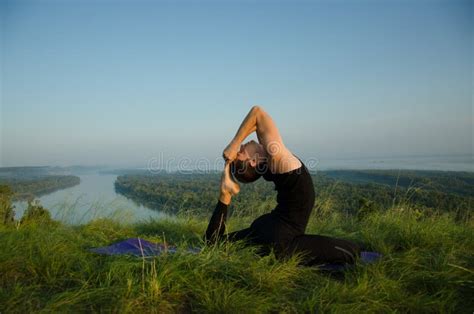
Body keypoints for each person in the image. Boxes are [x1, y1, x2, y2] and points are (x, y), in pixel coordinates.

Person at [205, 106, 360, 266]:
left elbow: (256, 125)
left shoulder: (269, 164)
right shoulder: (277, 158)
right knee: (352, 251)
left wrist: (229, 166)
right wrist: (234, 144)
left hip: (265, 228)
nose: (242, 146)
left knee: (214, 243)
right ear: (252, 161)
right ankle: (226, 191)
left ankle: (225, 195)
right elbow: (257, 113)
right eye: (241, 151)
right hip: (282, 241)